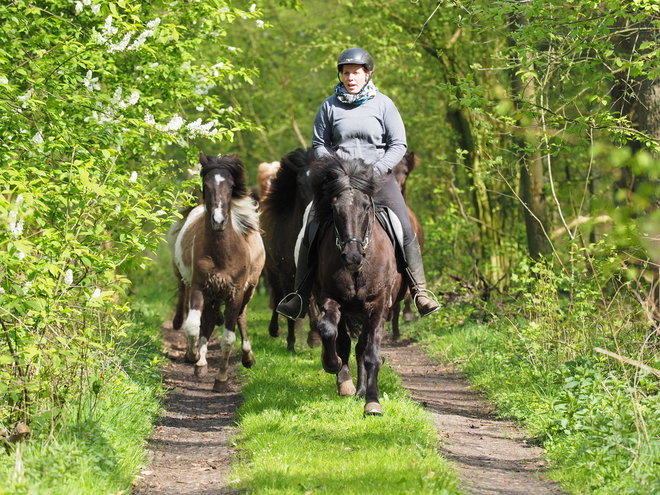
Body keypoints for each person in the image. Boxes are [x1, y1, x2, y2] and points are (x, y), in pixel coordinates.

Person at [276, 47, 440, 320]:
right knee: (311, 224)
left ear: (367, 74)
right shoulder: (329, 106)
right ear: (340, 75)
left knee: (404, 225)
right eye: (346, 72)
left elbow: (398, 144)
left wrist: (379, 169)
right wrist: (334, 169)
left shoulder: (384, 104)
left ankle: (419, 290)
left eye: (355, 72)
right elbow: (319, 144)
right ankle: (300, 295)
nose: (350, 77)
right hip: (340, 181)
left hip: (377, 178)